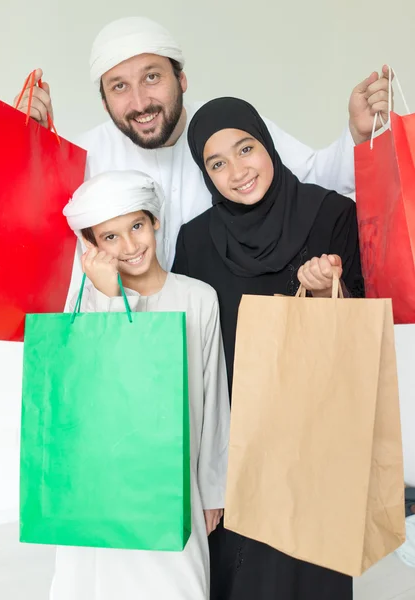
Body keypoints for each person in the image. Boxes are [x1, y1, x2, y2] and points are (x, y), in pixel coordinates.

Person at [14, 16, 391, 275]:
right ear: (103, 101)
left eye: (151, 77)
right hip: (123, 347)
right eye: (119, 86)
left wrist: (357, 134)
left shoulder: (226, 133)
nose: (140, 102)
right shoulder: (84, 154)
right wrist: (25, 149)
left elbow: (318, 180)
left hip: (221, 342)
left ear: (181, 79)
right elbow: (24, 238)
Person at [171, 96, 365, 600]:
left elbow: (364, 328)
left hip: (311, 443)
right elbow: (186, 349)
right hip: (231, 446)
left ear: (268, 144)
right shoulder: (195, 241)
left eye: (246, 149)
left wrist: (326, 292)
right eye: (217, 163)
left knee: (309, 574)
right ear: (205, 173)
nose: (237, 171)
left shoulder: (331, 214)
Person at [53, 170, 231, 600]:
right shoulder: (84, 305)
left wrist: (212, 486)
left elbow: (212, 401)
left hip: (172, 484)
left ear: (154, 222)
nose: (130, 246)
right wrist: (112, 299)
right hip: (98, 488)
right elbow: (94, 399)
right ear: (92, 247)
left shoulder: (198, 296)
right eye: (110, 237)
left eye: (135, 226)